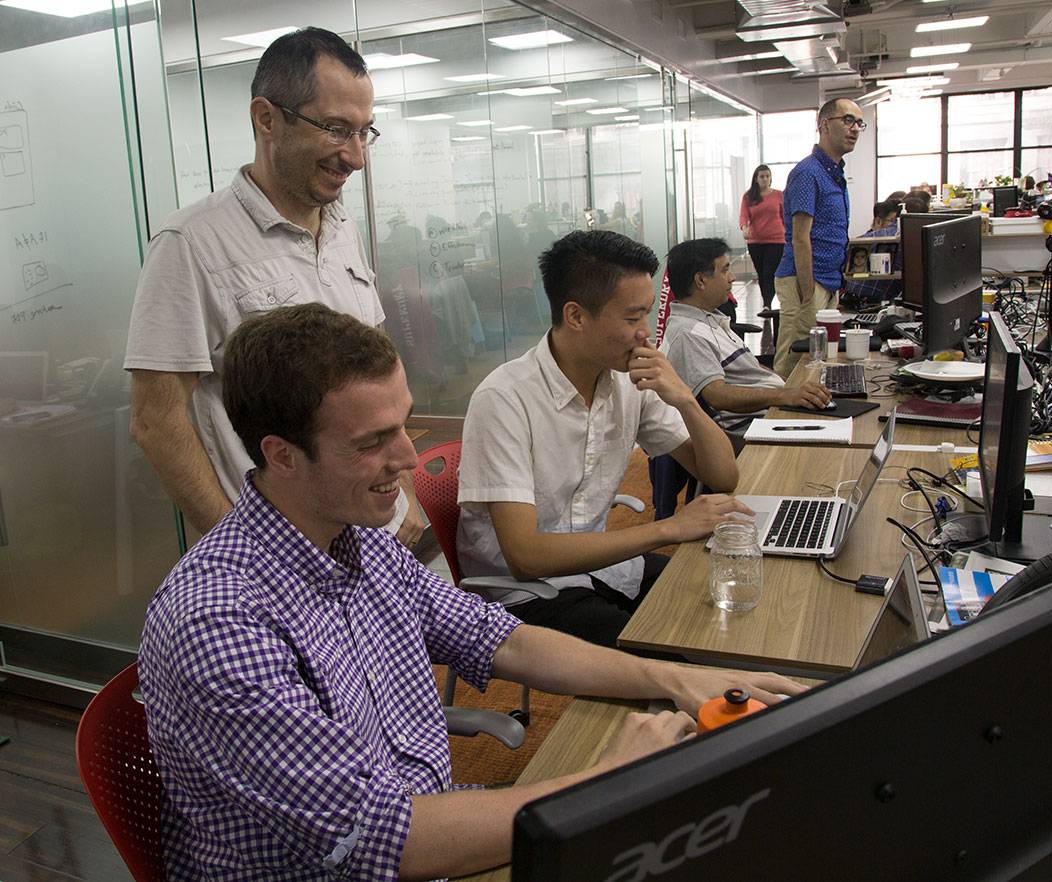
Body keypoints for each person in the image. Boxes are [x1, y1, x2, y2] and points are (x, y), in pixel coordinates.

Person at [137, 302, 806, 880]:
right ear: (281, 455)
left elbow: (503, 637)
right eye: (373, 441)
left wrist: (675, 679)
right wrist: (606, 776)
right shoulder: (218, 622)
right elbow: (379, 839)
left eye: (403, 422)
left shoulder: (357, 540)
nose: (407, 457)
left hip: (432, 833)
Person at [124, 27, 424, 548]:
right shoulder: (191, 243)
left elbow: (378, 381)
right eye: (335, 129)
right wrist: (245, 551)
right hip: (281, 548)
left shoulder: (341, 229)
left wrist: (407, 497)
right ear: (266, 118)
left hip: (373, 537)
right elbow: (157, 420)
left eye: (363, 132)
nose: (355, 157)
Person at [456, 230, 751, 647]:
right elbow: (526, 558)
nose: (644, 333)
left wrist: (685, 398)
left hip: (602, 566)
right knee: (670, 656)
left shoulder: (628, 380)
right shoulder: (504, 399)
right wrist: (669, 528)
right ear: (576, 316)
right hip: (524, 594)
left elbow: (723, 475)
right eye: (632, 318)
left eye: (647, 315)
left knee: (720, 600)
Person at [661, 238, 830, 438]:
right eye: (724, 270)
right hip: (752, 428)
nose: (732, 277)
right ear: (700, 281)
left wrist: (792, 386)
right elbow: (717, 395)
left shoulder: (710, 318)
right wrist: (784, 394)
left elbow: (750, 369)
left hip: (771, 413)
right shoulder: (688, 334)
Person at [773, 98, 864, 378]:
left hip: (827, 279)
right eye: (847, 120)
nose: (855, 129)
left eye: (859, 123)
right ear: (824, 125)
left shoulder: (834, 173)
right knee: (794, 358)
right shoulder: (808, 172)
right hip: (806, 280)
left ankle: (808, 412)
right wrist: (808, 291)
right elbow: (801, 238)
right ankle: (777, 416)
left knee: (819, 357)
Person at [739, 164, 786, 314]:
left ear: (771, 178)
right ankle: (766, 301)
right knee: (761, 273)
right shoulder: (749, 196)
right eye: (762, 176)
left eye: (767, 176)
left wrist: (791, 236)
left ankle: (767, 304)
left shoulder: (779, 195)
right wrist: (744, 228)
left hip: (776, 240)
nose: (765, 179)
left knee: (768, 271)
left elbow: (785, 216)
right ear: (756, 179)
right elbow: (744, 216)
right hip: (755, 241)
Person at [843, 200, 901, 307]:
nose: (893, 226)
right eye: (891, 221)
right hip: (881, 303)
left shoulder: (863, 240)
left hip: (853, 300)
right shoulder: (903, 235)